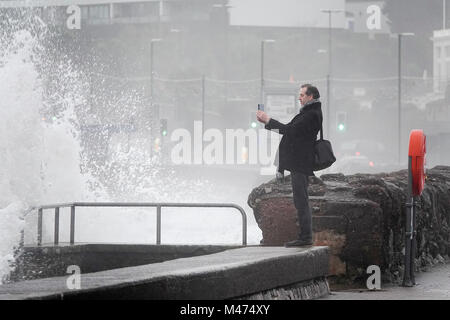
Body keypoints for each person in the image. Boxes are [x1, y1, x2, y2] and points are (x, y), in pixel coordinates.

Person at [256, 84, 323, 247]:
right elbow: (290, 131)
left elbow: (289, 131)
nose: (299, 97)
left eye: (302, 95)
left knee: (301, 201)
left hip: (300, 162)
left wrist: (269, 120)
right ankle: (304, 236)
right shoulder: (308, 113)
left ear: (311, 97)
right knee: (300, 199)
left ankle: (305, 237)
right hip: (298, 162)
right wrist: (268, 122)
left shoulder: (311, 114)